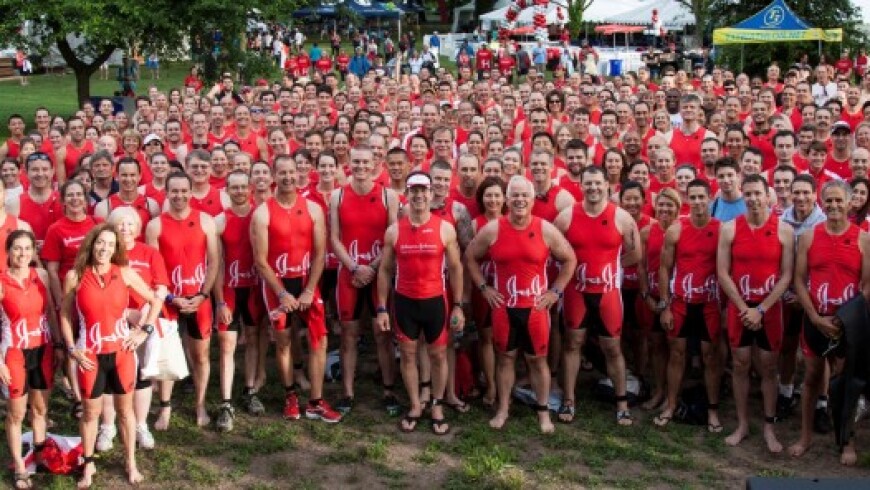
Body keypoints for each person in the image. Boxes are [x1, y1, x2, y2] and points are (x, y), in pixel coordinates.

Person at [465, 176, 576, 433]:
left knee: (538, 361)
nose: (519, 200)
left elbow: (570, 259)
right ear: (506, 199)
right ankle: (503, 409)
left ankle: (543, 412)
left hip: (536, 309)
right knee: (505, 358)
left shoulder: (545, 229)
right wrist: (484, 287)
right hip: (504, 307)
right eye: (514, 195)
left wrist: (555, 292)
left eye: (524, 195)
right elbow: (470, 257)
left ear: (532, 198)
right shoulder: (493, 229)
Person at [59, 223, 163, 487]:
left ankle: (131, 463)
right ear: (92, 244)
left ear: (116, 248)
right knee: (90, 413)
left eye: (109, 244)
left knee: (125, 412)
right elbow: (64, 315)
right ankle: (89, 465)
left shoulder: (125, 273)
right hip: (89, 355)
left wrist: (143, 331)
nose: (103, 248)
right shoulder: (75, 275)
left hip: (122, 354)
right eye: (99, 243)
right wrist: (72, 348)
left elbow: (154, 300)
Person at [253, 156, 342, 423]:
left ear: (300, 173)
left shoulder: (313, 209)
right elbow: (260, 260)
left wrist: (308, 290)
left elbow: (319, 254)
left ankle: (315, 400)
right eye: (282, 173)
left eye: (292, 172)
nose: (288, 177)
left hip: (306, 283)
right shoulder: (262, 213)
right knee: (283, 342)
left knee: (319, 339)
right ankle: (290, 395)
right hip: (277, 286)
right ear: (274, 176)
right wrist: (282, 293)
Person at [376, 172, 465, 434]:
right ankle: (415, 405)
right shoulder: (394, 230)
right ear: (407, 194)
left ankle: (436, 405)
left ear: (430, 193)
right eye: (413, 191)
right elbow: (384, 270)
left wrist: (458, 304)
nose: (418, 196)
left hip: (435, 301)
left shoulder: (444, 228)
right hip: (405, 302)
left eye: (423, 191)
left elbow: (457, 268)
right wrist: (381, 306)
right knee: (409, 355)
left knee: (438, 355)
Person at [789, 180, 869, 465]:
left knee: (845, 383)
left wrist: (843, 317)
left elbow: (867, 286)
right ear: (822, 203)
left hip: (848, 324)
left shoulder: (863, 239)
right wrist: (813, 316)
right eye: (829, 201)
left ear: (850, 204)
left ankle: (845, 440)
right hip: (815, 319)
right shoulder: (810, 236)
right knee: (811, 379)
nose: (834, 205)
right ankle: (805, 436)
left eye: (839, 201)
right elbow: (799, 279)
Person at [554, 166, 641, 425]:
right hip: (576, 291)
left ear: (607, 185)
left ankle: (622, 402)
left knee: (612, 347)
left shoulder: (623, 218)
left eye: (597, 183)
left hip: (607, 292)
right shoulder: (566, 217)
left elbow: (635, 254)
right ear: (580, 185)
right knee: (572, 344)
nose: (592, 188)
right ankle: (569, 400)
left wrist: (611, 269)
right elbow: (555, 251)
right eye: (587, 183)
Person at [716, 174, 795, 453]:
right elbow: (722, 272)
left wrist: (761, 309)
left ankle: (769, 426)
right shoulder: (730, 229)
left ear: (767, 195)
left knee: (769, 366)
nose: (752, 198)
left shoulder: (783, 229)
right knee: (740, 364)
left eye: (756, 193)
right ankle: (742, 424)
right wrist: (743, 308)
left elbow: (786, 276)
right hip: (741, 306)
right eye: (747, 194)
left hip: (770, 309)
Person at [329, 145, 400, 415]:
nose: (359, 167)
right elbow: (334, 238)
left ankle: (389, 388)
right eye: (355, 162)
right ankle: (347, 393)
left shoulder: (387, 196)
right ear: (350, 164)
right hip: (349, 273)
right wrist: (354, 267)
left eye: (365, 162)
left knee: (383, 334)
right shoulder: (337, 196)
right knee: (348, 335)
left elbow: (391, 237)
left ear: (375, 163)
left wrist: (370, 267)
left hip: (378, 271)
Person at [145, 172, 220, 429]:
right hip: (169, 300)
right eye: (174, 191)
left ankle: (200, 404)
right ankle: (165, 407)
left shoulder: (206, 221)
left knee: (201, 355)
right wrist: (170, 297)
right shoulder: (156, 226)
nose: (179, 196)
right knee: (168, 355)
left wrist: (202, 295)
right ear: (167, 193)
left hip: (200, 300)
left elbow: (214, 263)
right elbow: (153, 269)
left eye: (183, 191)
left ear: (191, 191)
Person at [656, 179, 724, 432]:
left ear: (709, 199)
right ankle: (671, 405)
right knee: (677, 354)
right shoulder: (676, 229)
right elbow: (665, 268)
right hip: (681, 302)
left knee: (710, 357)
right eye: (692, 198)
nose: (697, 202)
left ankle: (713, 410)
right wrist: (664, 305)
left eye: (701, 198)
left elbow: (726, 270)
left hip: (708, 303)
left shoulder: (721, 229)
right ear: (687, 200)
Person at [0, 230, 55, 489]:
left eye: (27, 249)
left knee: (41, 408)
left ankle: (40, 453)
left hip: (43, 349)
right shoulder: (1, 281)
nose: (22, 254)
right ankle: (20, 466)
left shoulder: (41, 275)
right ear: (9, 252)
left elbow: (52, 313)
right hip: (15, 353)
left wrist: (60, 345)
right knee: (17, 412)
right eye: (17, 249)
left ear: (34, 251)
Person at [212, 171, 259, 431]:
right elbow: (216, 265)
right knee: (227, 345)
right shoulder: (220, 221)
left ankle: (250, 390)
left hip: (252, 288)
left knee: (252, 339)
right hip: (230, 289)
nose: (240, 191)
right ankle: (226, 402)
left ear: (250, 188)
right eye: (235, 187)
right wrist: (219, 301)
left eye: (244, 187)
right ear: (227, 190)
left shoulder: (259, 216)